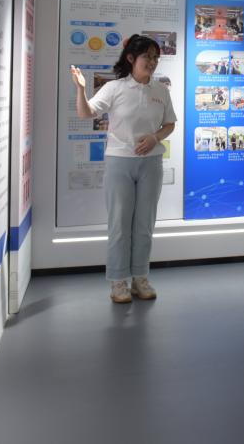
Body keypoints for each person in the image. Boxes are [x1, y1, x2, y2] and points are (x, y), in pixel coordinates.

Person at [71, 35, 176, 304]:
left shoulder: (161, 90)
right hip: (120, 162)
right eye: (147, 57)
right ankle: (118, 281)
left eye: (155, 57)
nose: (152, 62)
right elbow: (86, 113)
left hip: (151, 163)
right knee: (119, 223)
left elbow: (169, 124)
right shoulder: (114, 88)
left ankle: (140, 278)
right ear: (131, 58)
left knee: (145, 224)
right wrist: (81, 89)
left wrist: (155, 138)